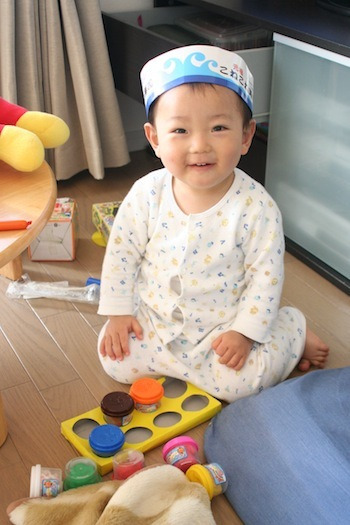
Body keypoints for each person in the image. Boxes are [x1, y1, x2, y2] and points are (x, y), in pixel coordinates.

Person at [97, 45, 329, 402]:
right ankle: (168, 356)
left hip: (223, 329)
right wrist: (118, 313)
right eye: (180, 131)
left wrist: (245, 333)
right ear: (155, 139)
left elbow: (265, 276)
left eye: (219, 127)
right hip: (157, 321)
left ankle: (292, 331)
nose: (200, 145)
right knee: (114, 360)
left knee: (241, 386)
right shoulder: (147, 193)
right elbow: (122, 253)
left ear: (246, 136)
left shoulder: (255, 206)